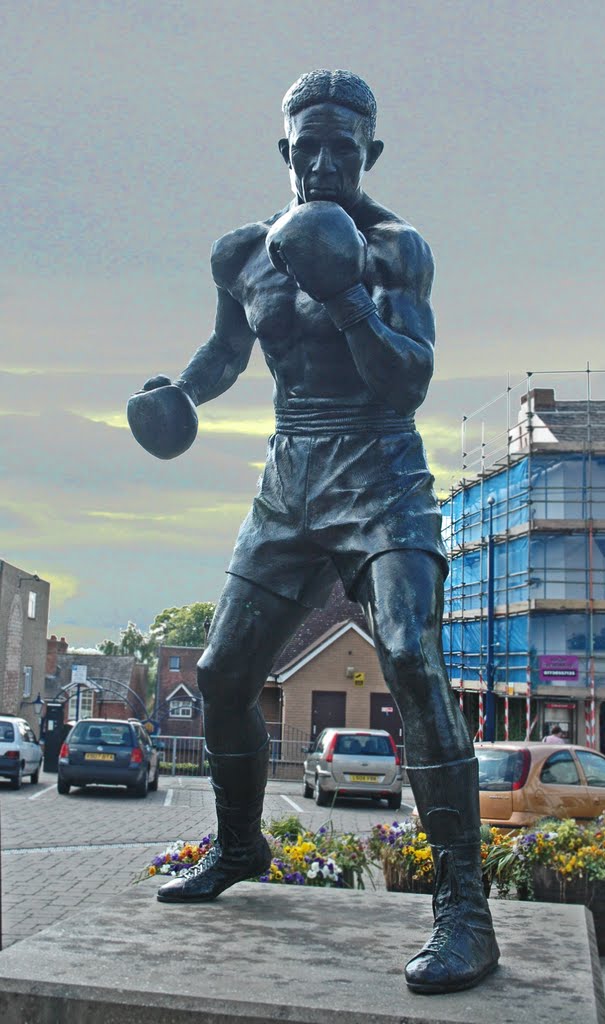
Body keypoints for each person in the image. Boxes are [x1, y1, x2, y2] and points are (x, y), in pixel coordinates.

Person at [131, 69, 498, 994]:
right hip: (290, 481)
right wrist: (177, 392)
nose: (326, 162)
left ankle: (464, 909)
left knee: (412, 658)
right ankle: (242, 846)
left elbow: (406, 380)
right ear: (285, 151)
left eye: (345, 147)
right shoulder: (240, 254)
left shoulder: (396, 249)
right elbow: (226, 352)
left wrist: (344, 295)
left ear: (370, 152)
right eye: (309, 147)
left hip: (381, 472)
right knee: (219, 676)